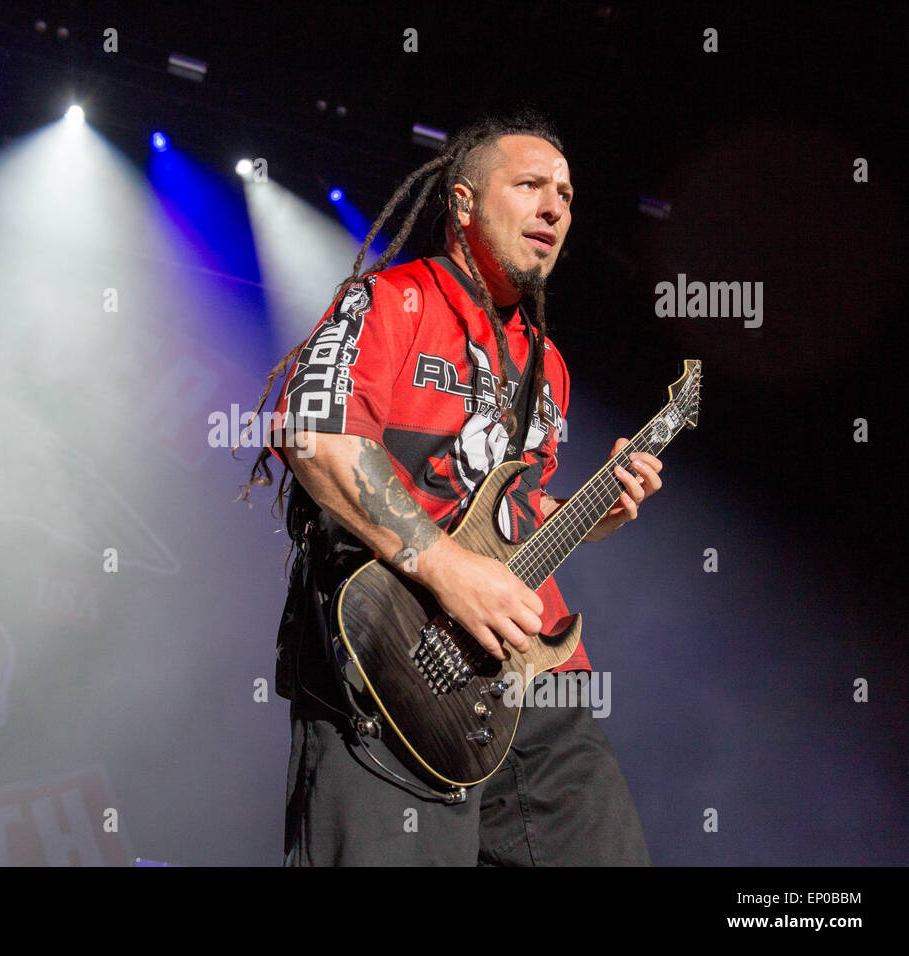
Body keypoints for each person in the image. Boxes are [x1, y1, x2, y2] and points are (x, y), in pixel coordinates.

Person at [242, 111, 662, 866]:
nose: (555, 205)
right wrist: (443, 567)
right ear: (463, 204)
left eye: (565, 193)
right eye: (530, 184)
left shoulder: (548, 364)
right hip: (393, 666)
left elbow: (509, 518)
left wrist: (594, 512)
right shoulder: (391, 300)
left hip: (535, 679)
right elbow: (312, 432)